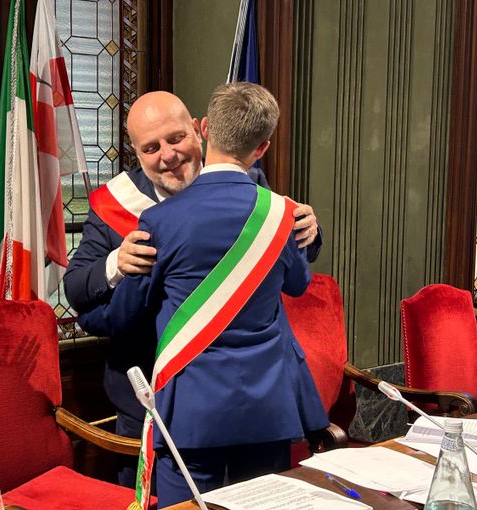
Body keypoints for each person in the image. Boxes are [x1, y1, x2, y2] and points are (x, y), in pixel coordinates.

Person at [78, 82, 329, 508]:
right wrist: (116, 264)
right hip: (258, 403)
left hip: (189, 405)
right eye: (151, 147)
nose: (168, 155)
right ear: (262, 147)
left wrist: (309, 232)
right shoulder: (277, 208)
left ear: (202, 129)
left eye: (176, 139)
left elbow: (121, 312)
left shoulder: (160, 221)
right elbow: (297, 283)